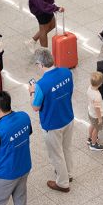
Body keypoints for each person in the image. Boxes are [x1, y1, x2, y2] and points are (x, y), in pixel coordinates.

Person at [30, 48, 75, 193]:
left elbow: (35, 107)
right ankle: (68, 174)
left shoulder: (41, 85)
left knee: (56, 154)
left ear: (40, 64)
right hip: (68, 117)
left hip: (52, 124)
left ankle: (62, 183)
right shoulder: (67, 72)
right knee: (66, 148)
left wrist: (31, 91)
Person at [86, 71, 103, 151]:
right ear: (100, 84)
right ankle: (93, 144)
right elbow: (97, 109)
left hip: (91, 112)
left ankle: (89, 138)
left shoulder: (90, 88)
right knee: (96, 129)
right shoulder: (97, 96)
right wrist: (100, 119)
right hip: (96, 115)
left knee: (92, 125)